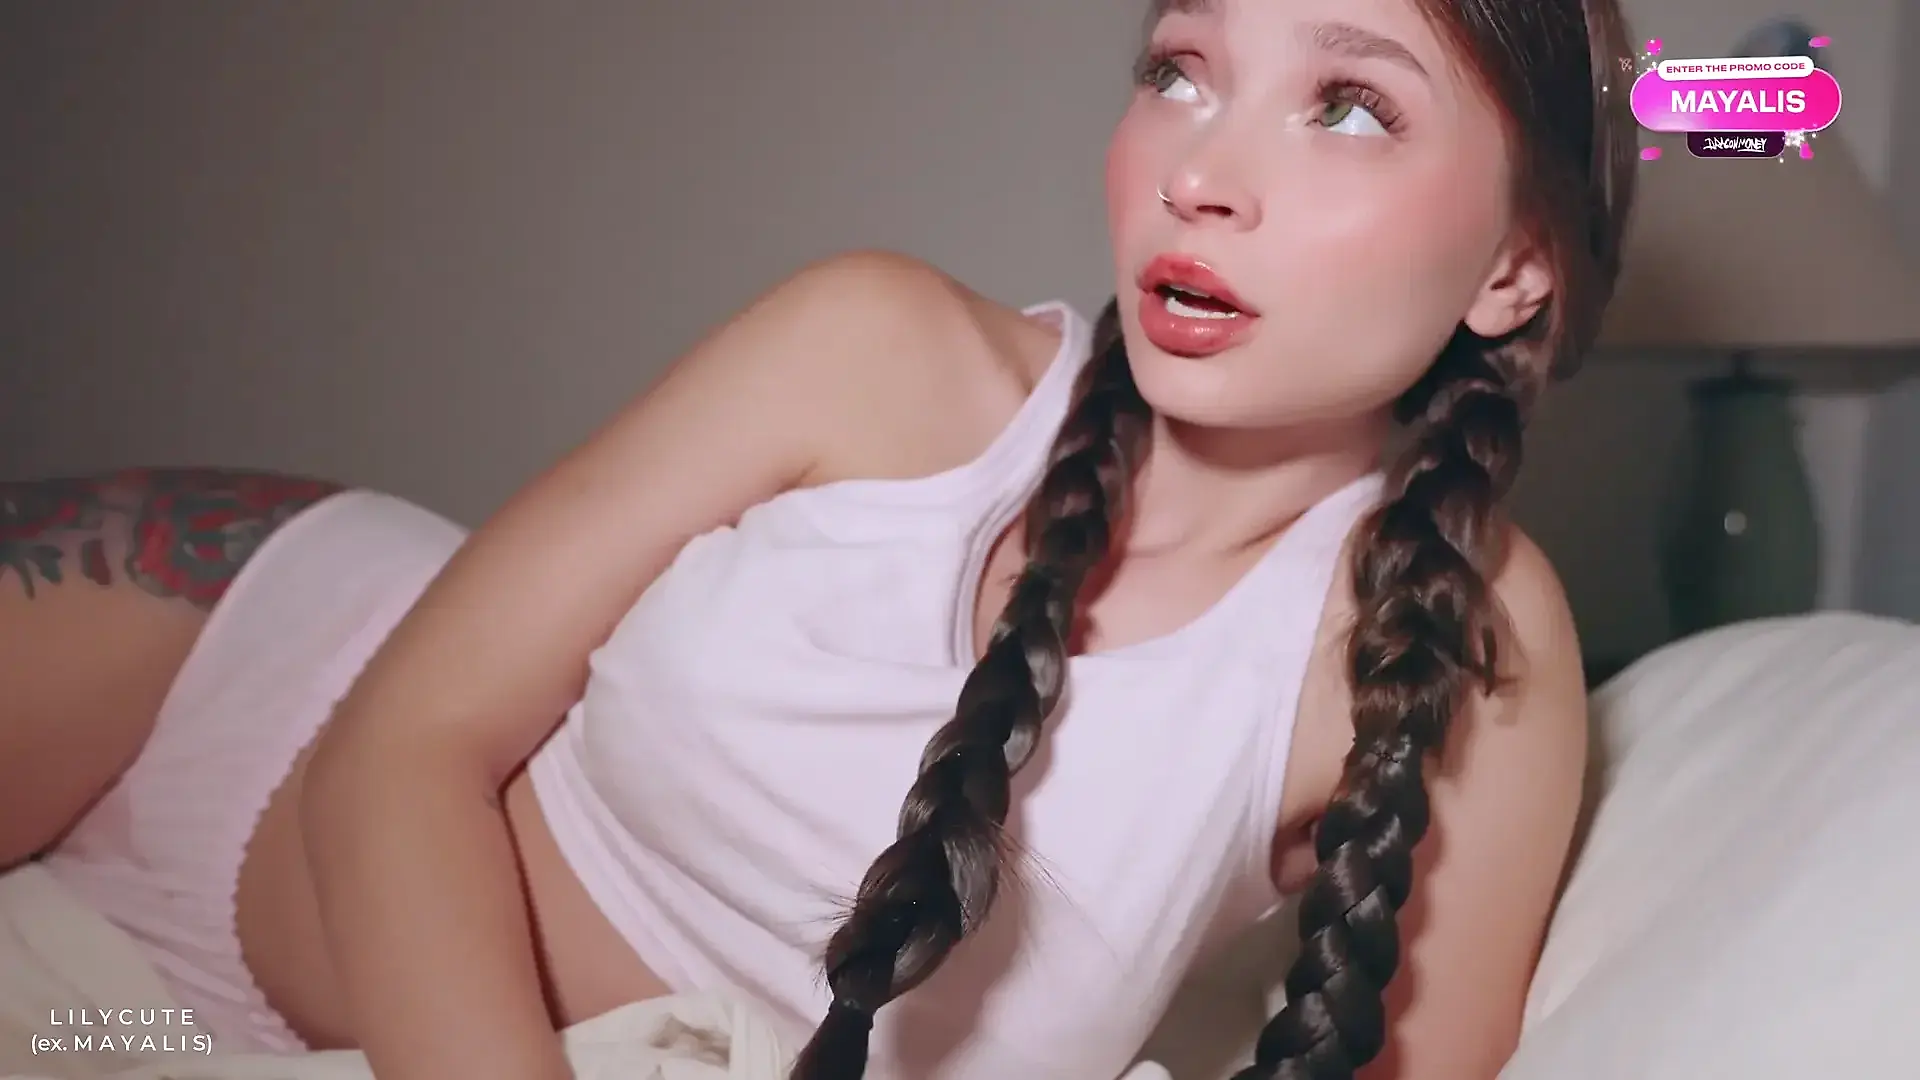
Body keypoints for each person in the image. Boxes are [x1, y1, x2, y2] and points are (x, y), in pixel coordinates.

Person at [0, 0, 1638, 1076]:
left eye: (1348, 104)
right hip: (207, 683)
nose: (1201, 172)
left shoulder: (1463, 646)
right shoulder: (877, 345)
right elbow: (401, 746)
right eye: (1178, 71)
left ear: (1516, 266)